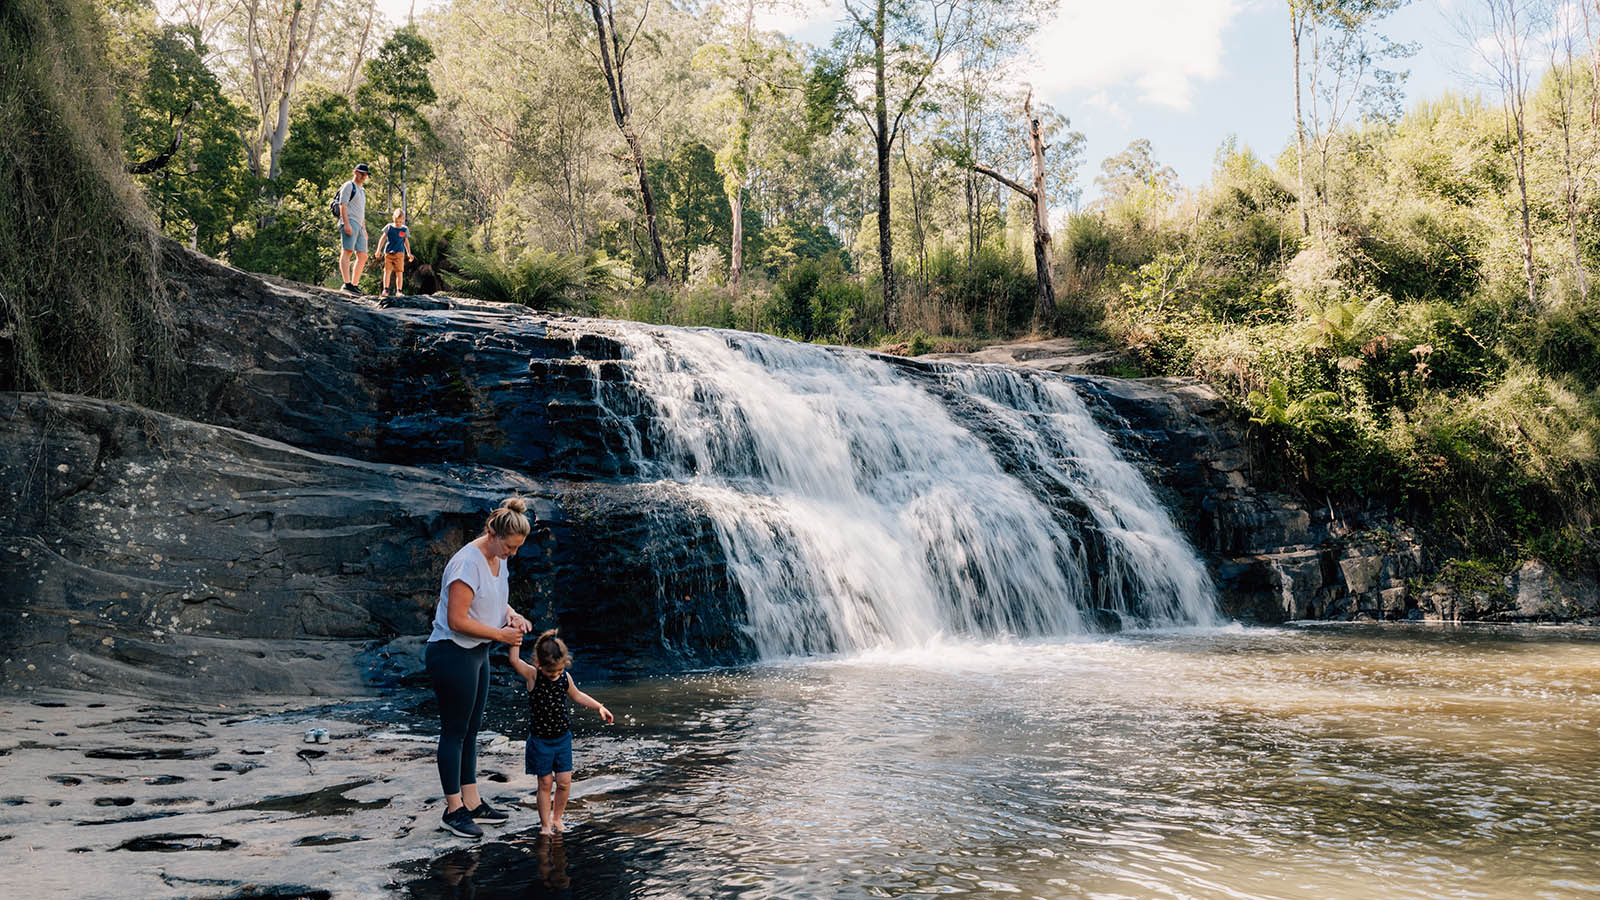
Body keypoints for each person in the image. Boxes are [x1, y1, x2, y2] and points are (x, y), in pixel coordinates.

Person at [426, 497, 535, 840]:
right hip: (452, 652)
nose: (512, 554)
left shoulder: (497, 558)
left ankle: (472, 802)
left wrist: (511, 614)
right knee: (454, 732)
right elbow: (457, 620)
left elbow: (493, 599)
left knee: (471, 731)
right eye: (510, 547)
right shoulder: (466, 564)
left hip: (477, 652)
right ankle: (453, 810)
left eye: (517, 548)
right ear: (492, 532)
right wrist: (501, 635)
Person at [508, 630, 613, 836]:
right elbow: (513, 659)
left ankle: (557, 818)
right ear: (539, 663)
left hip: (562, 740)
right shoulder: (533, 675)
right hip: (541, 741)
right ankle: (545, 824)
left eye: (558, 671)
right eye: (551, 673)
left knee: (564, 782)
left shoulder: (565, 677)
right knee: (545, 783)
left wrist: (599, 706)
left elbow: (577, 695)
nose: (555, 675)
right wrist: (515, 635)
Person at [337, 163, 371, 295]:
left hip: (360, 224)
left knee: (362, 255)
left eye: (366, 174)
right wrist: (346, 224)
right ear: (355, 172)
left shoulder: (362, 191)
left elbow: (362, 211)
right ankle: (347, 284)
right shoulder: (348, 186)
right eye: (361, 173)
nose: (364, 176)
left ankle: (354, 284)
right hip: (349, 220)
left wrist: (364, 229)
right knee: (347, 251)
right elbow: (342, 205)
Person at [377, 207, 414, 299]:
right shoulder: (389, 227)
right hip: (388, 253)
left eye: (400, 222)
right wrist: (378, 250)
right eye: (397, 221)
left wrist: (409, 253)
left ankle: (399, 291)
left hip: (400, 254)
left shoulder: (404, 229)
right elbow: (383, 238)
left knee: (399, 272)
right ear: (393, 218)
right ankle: (385, 289)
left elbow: (406, 241)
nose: (398, 224)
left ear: (404, 220)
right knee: (387, 271)